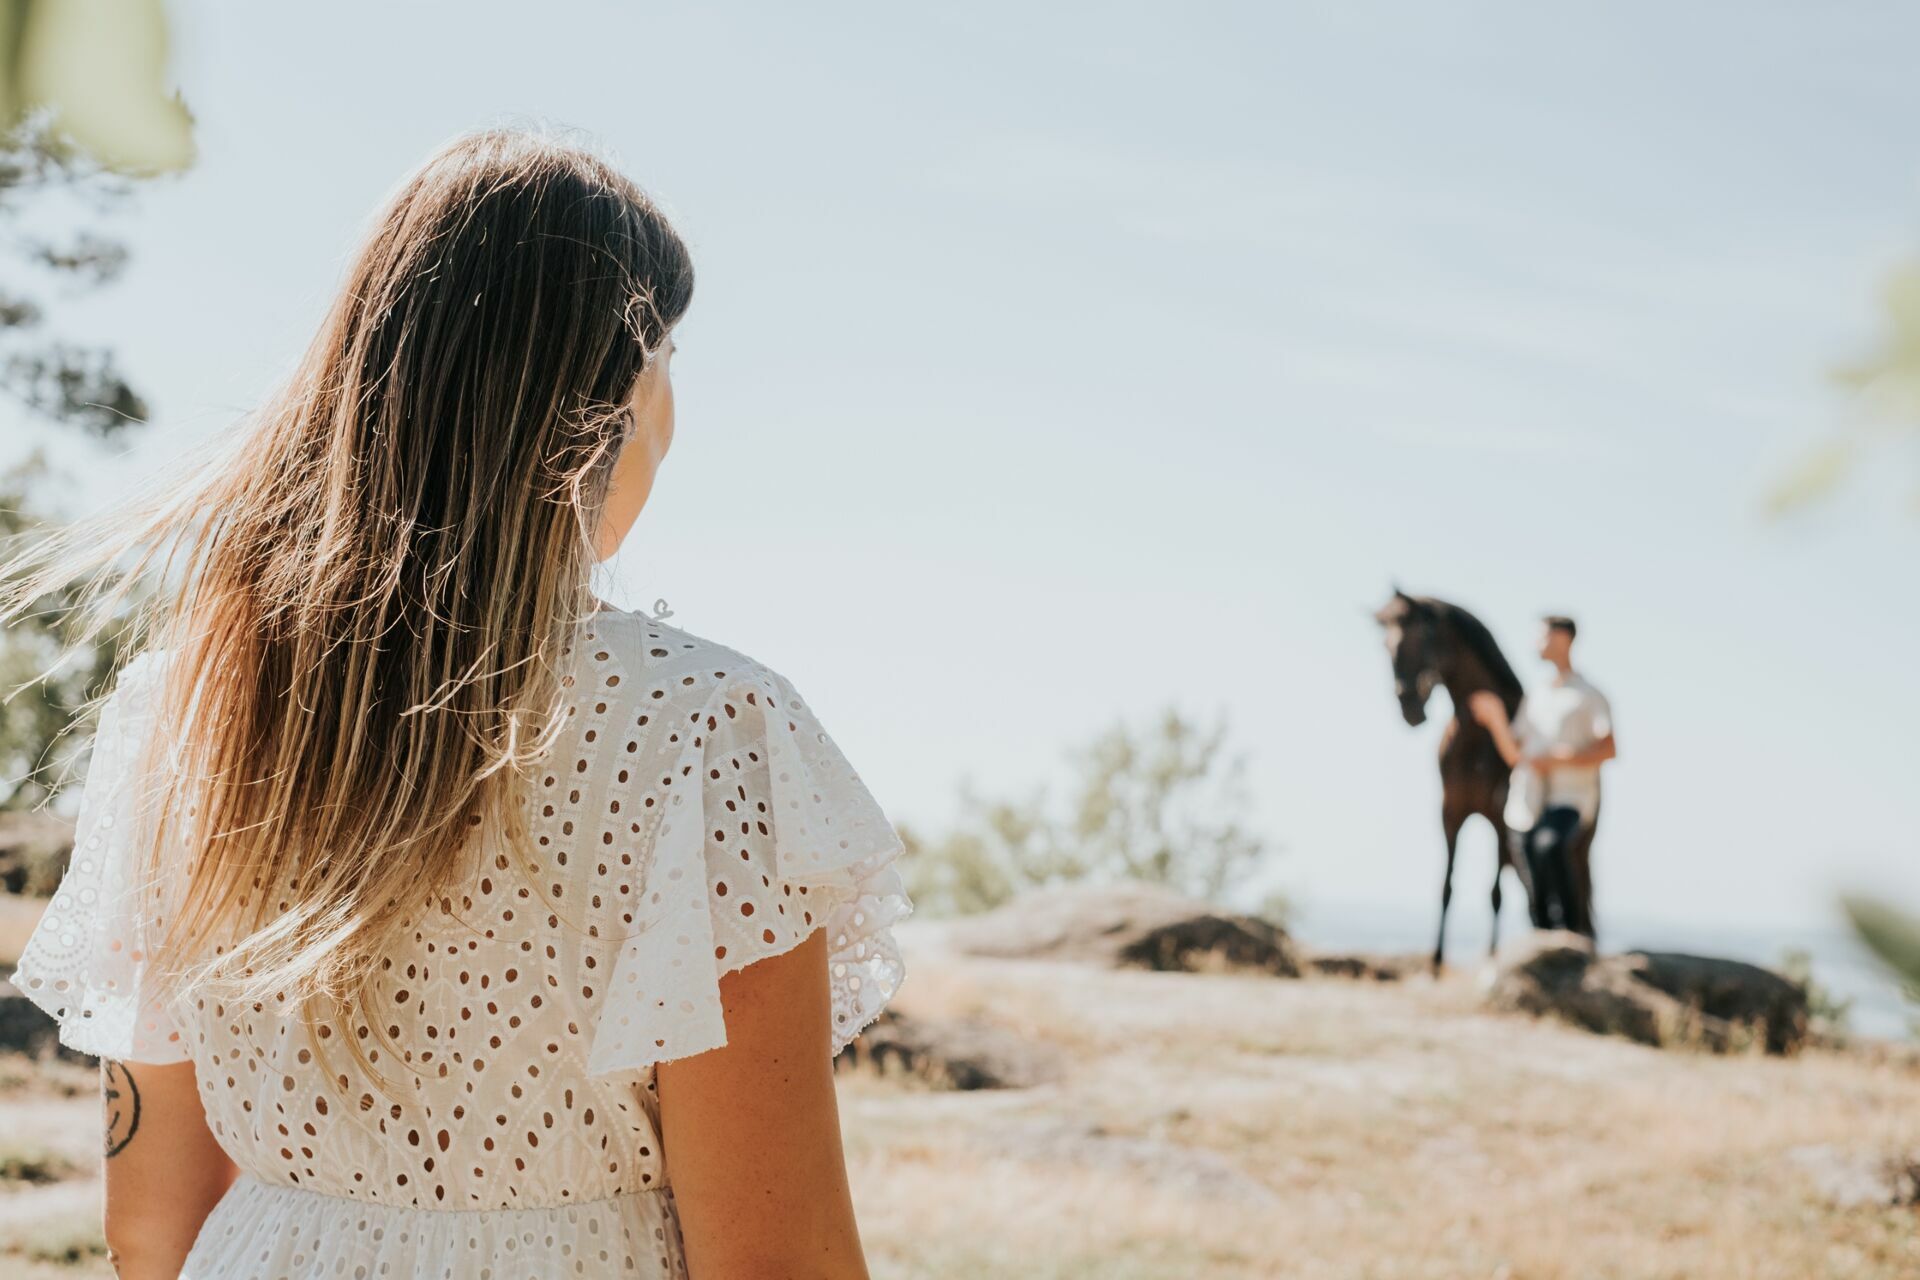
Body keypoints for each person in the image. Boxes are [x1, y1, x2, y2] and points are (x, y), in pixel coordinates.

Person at [2, 128, 911, 1280]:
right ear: (616, 387)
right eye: (668, 355)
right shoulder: (706, 730)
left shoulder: (187, 711)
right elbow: (778, 1260)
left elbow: (151, 1222)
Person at [1469, 615, 1615, 940]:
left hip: (1570, 797)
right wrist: (1495, 719)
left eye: (1542, 636)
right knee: (1526, 855)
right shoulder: (1537, 696)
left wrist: (1561, 759)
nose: (1536, 644)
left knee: (1549, 845)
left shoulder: (1588, 695)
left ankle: (1571, 933)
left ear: (1563, 638)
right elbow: (1515, 754)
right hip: (1530, 798)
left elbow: (1608, 748)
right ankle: (1542, 934)